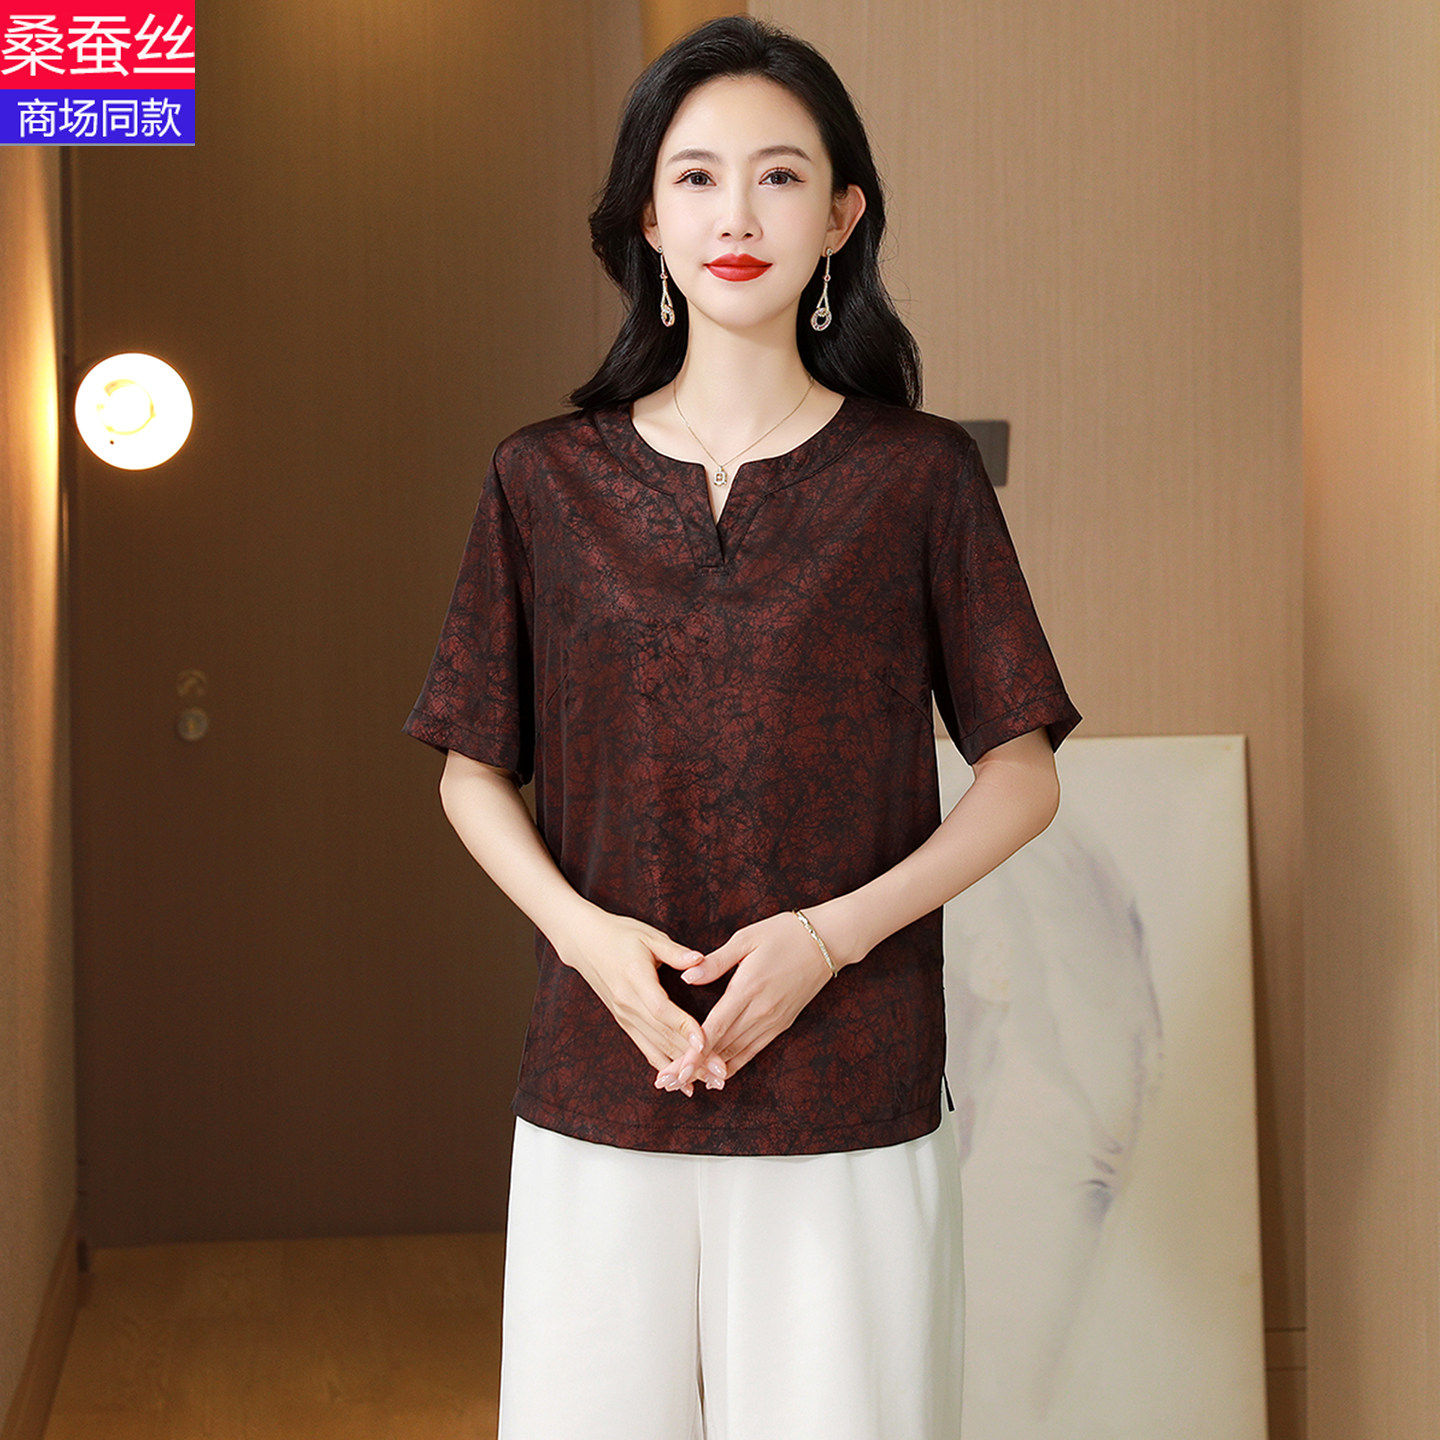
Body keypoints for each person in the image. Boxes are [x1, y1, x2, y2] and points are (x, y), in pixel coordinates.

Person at [402, 16, 1081, 1440]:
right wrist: (588, 942)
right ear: (648, 220)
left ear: (841, 217)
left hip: (849, 1081)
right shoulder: (544, 482)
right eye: (696, 177)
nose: (736, 215)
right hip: (602, 1071)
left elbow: (1022, 776)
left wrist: (829, 938)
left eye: (780, 177)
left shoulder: (918, 479)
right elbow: (473, 770)